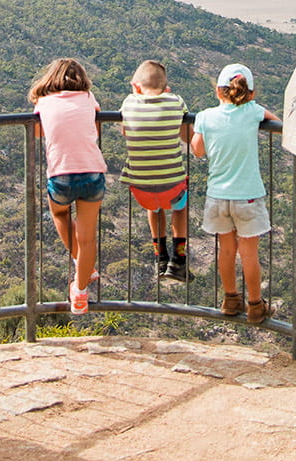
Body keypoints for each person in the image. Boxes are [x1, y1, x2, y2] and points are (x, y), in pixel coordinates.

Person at [191, 63, 281, 324]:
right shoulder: (253, 111)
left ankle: (230, 300)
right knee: (249, 254)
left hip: (217, 196)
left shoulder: (205, 117)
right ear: (250, 93)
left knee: (226, 250)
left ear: (218, 92)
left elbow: (198, 150)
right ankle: (255, 305)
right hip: (248, 196)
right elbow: (275, 121)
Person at [28, 58, 107, 314]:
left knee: (60, 213)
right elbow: (95, 129)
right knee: (88, 237)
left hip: (61, 174)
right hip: (93, 172)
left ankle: (81, 263)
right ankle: (81, 293)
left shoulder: (44, 101)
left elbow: (38, 133)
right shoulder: (88, 97)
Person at [118, 60, 193, 282]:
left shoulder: (129, 102)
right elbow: (186, 136)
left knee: (155, 206)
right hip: (173, 186)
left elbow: (125, 132)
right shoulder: (176, 101)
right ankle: (178, 260)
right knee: (180, 207)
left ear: (136, 85)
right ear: (166, 88)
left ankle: (160, 257)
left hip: (140, 187)